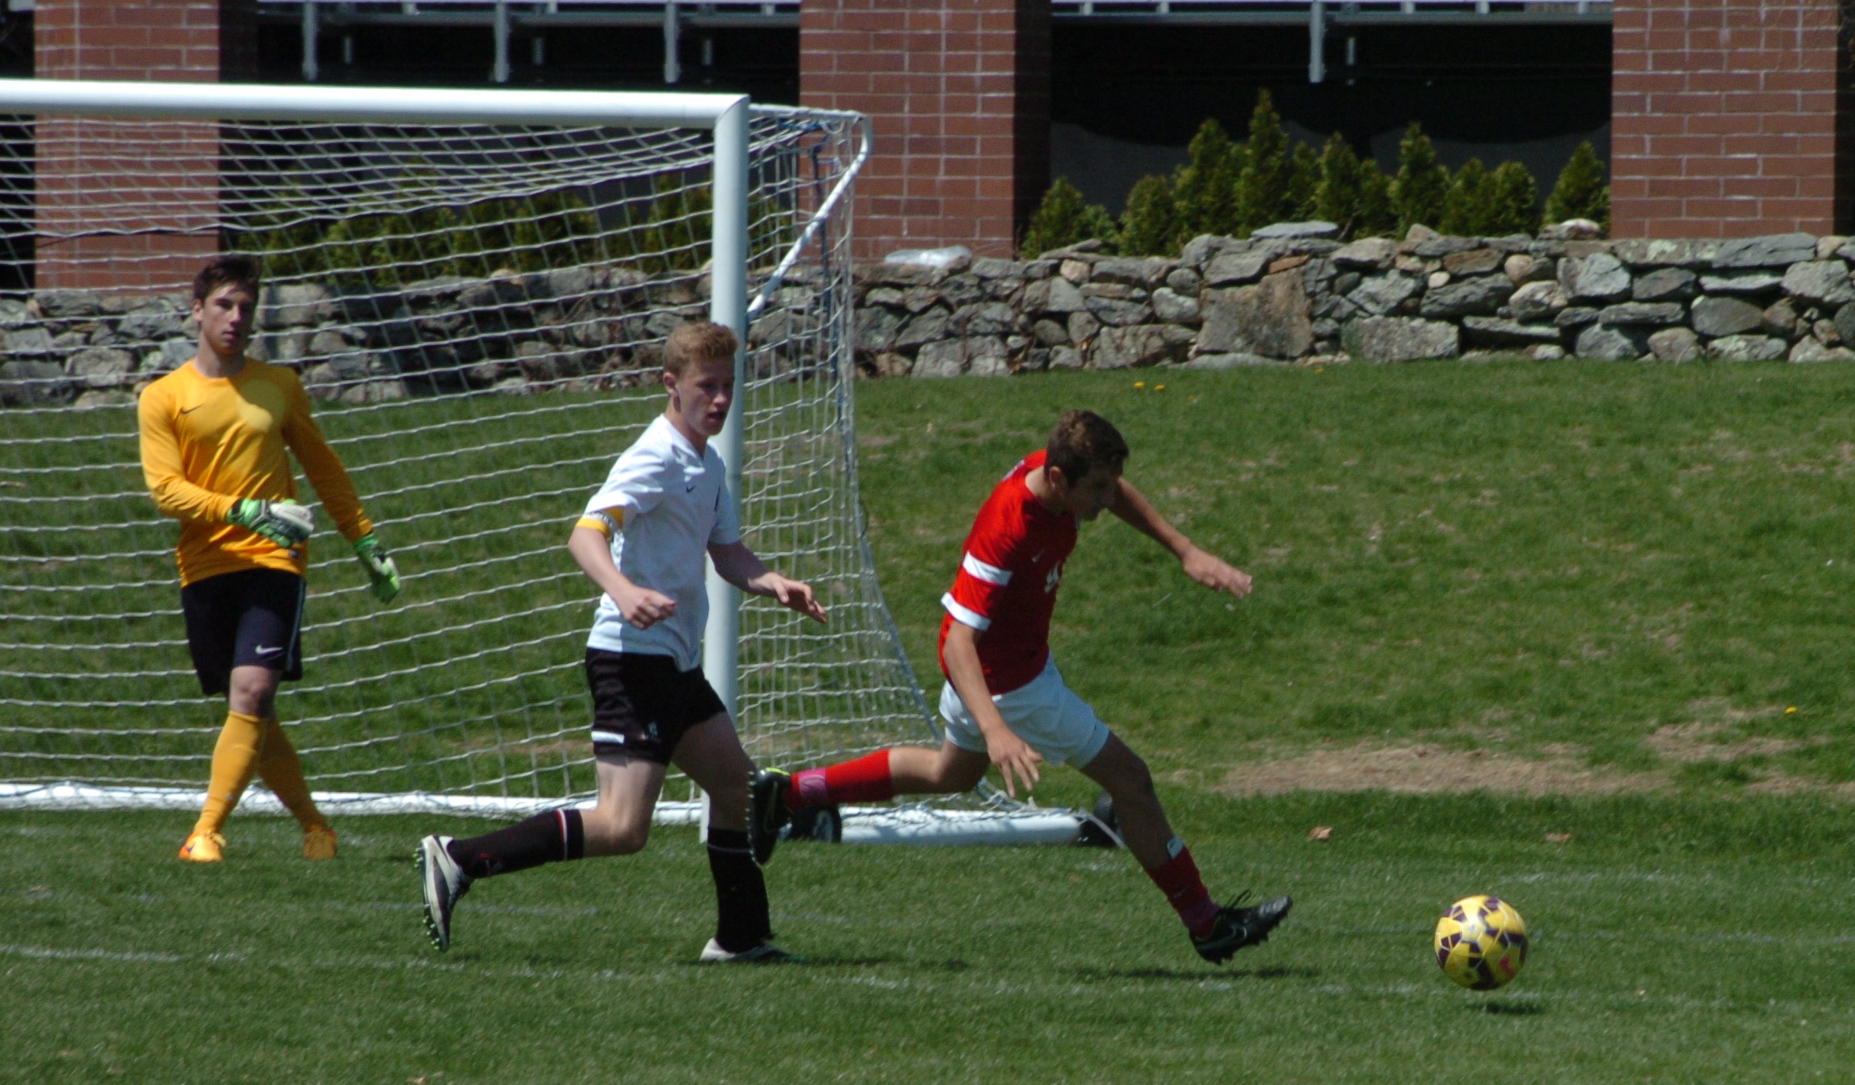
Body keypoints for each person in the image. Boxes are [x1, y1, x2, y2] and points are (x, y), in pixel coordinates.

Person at [748, 409, 1290, 965]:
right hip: (1011, 686)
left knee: (950, 774)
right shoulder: (1007, 528)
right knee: (1132, 781)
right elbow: (960, 643)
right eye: (1098, 488)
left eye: (1110, 484)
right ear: (1058, 479)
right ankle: (1206, 923)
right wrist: (996, 731)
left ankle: (787, 794)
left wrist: (1185, 550)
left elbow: (1117, 491)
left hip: (1002, 670)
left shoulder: (1053, 471)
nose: (1108, 499)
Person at [416, 321, 825, 962]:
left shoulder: (707, 462)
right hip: (631, 660)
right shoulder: (654, 456)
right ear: (671, 385)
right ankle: (459, 858)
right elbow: (585, 534)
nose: (720, 399)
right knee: (622, 826)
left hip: (673, 662)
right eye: (706, 386)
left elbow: (726, 551)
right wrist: (624, 591)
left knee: (737, 790)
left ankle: (739, 939)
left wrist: (771, 581)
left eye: (728, 386)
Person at [137, 254, 400, 863]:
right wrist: (243, 510)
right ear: (197, 310)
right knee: (253, 709)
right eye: (224, 305)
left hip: (275, 560)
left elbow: (322, 467)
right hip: (203, 564)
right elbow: (166, 490)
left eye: (246, 307)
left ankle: (204, 832)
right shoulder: (162, 397)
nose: (235, 317)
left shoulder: (279, 385)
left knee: (252, 691)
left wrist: (363, 540)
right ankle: (316, 828)